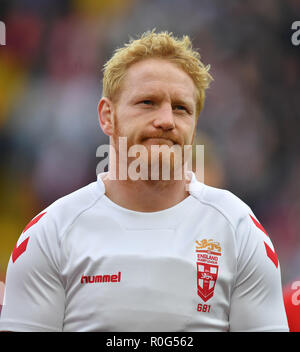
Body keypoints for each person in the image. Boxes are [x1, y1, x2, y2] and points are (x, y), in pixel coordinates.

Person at [0, 31, 289, 332]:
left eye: (181, 108)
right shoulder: (51, 234)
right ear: (107, 116)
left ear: (194, 124)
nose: (166, 120)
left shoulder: (239, 229)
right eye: (148, 102)